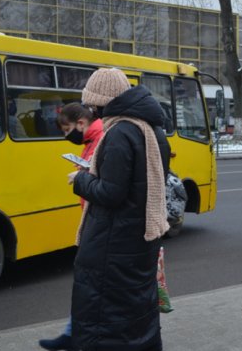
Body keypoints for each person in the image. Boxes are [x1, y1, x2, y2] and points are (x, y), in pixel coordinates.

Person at [69, 67, 170, 351]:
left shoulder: (118, 133)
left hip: (112, 245)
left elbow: (111, 194)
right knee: (136, 317)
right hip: (140, 242)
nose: (92, 110)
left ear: (104, 100)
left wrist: (81, 180)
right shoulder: (154, 131)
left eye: (93, 103)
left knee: (104, 320)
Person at [38, 102, 104, 351]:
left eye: (67, 130)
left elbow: (107, 184)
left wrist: (81, 178)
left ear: (81, 123)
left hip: (99, 221)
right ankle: (73, 333)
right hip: (92, 218)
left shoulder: (102, 139)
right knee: (93, 284)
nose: (67, 136)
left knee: (91, 284)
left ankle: (74, 334)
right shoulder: (92, 140)